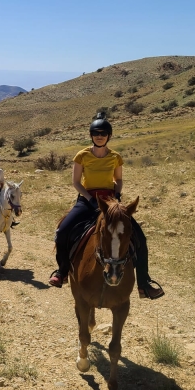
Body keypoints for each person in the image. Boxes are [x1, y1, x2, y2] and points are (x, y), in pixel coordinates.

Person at [48, 113, 165, 300]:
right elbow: (76, 182)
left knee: (140, 239)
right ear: (91, 135)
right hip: (87, 200)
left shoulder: (115, 157)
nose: (99, 136)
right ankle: (62, 272)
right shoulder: (82, 155)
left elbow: (118, 180)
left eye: (103, 133)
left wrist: (116, 196)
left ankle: (144, 284)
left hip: (111, 201)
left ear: (109, 135)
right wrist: (90, 198)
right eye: (96, 133)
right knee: (62, 231)